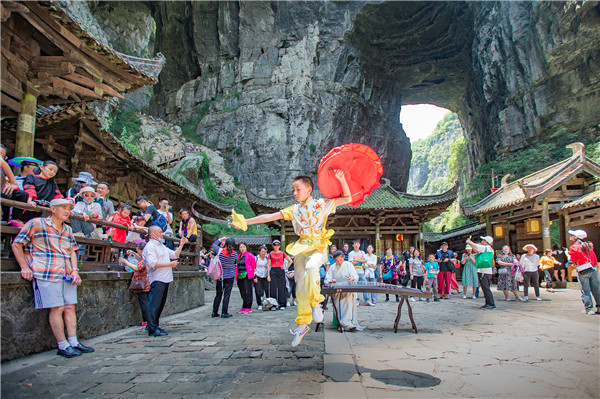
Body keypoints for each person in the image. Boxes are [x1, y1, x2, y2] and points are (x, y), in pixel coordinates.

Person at [236, 171, 352, 346]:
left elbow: (348, 198)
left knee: (313, 268)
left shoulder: (322, 204)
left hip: (318, 246)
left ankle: (316, 304)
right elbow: (270, 216)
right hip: (301, 248)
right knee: (301, 286)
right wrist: (245, 221)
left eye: (298, 189)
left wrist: (342, 178)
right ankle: (303, 325)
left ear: (309, 189)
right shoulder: (294, 209)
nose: (295, 193)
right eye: (293, 190)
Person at [11, 198, 94, 358]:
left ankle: (74, 341)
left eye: (69, 208)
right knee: (57, 308)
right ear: (53, 209)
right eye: (63, 207)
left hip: (67, 272)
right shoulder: (37, 223)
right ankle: (62, 345)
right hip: (46, 271)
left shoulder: (68, 229)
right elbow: (17, 244)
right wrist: (24, 266)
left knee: (70, 306)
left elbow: (72, 251)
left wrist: (75, 270)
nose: (67, 211)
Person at [142, 226, 188, 336]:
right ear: (152, 234)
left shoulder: (161, 246)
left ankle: (154, 324)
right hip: (157, 277)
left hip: (165, 277)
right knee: (154, 303)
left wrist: (181, 244)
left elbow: (174, 254)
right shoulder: (150, 247)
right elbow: (152, 263)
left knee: (160, 304)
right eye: (159, 232)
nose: (162, 234)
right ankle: (152, 328)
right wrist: (170, 264)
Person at [324, 250, 362, 331]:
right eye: (337, 261)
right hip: (337, 291)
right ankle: (343, 323)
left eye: (340, 260)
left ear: (344, 258)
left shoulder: (349, 265)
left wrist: (352, 278)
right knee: (340, 303)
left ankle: (349, 323)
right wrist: (331, 281)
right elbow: (327, 279)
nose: (339, 262)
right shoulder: (332, 267)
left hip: (348, 289)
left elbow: (355, 276)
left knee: (349, 301)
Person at [567, 229, 599, 315]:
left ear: (576, 237)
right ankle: (599, 307)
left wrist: (569, 256)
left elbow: (572, 260)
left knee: (585, 290)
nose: (570, 238)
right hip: (594, 267)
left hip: (583, 269)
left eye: (572, 236)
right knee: (596, 289)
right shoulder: (590, 245)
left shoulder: (574, 247)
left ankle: (588, 309)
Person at [118, 241, 150, 327]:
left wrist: (125, 262)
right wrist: (133, 253)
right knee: (146, 302)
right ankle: (149, 320)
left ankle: (146, 321)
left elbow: (137, 267)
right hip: (146, 283)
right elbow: (140, 258)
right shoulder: (146, 257)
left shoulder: (146, 259)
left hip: (143, 283)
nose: (138, 253)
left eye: (138, 251)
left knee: (144, 303)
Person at [0, 146, 29, 225]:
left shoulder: (2, 167)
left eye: (3, 156)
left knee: (23, 194)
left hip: (3, 192)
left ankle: (15, 219)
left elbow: (14, 185)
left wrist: (13, 184)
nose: (1, 158)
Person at [466, 236, 496, 309]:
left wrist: (469, 242)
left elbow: (476, 246)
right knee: (485, 288)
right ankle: (488, 303)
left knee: (486, 288)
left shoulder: (486, 248)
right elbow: (476, 249)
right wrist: (470, 244)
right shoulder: (489, 249)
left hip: (485, 271)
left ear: (486, 242)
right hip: (484, 270)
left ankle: (491, 304)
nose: (482, 241)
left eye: (483, 240)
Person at [211, 236, 237, 318]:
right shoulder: (235, 254)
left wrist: (221, 239)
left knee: (218, 293)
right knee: (227, 294)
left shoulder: (220, 251)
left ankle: (214, 311)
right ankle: (224, 312)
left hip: (220, 275)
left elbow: (213, 244)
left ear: (225, 244)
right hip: (230, 276)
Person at [267, 239, 293, 310]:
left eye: (277, 245)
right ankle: (273, 304)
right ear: (272, 246)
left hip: (280, 270)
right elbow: (268, 265)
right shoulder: (270, 254)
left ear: (279, 246)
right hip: (273, 270)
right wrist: (268, 275)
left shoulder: (282, 253)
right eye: (274, 245)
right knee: (273, 288)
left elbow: (290, 261)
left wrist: (286, 267)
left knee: (282, 288)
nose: (276, 246)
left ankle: (282, 304)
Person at [236, 242, 256, 314]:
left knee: (248, 291)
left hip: (248, 275)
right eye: (240, 247)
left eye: (243, 247)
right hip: (240, 275)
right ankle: (244, 306)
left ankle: (248, 307)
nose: (242, 249)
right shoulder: (239, 256)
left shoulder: (249, 255)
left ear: (246, 247)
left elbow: (254, 265)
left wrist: (254, 275)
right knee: (242, 291)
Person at [348, 239, 368, 304]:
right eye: (355, 244)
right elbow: (351, 263)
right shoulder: (351, 253)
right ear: (353, 245)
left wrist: (356, 260)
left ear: (359, 245)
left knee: (365, 284)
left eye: (358, 244)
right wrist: (360, 260)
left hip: (361, 270)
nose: (356, 245)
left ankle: (367, 299)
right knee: (354, 285)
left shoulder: (362, 252)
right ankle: (356, 299)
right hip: (353, 271)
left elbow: (365, 261)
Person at [254, 246, 270, 310]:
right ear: (259, 252)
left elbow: (269, 266)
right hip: (258, 275)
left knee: (267, 290)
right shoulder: (256, 258)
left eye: (265, 252)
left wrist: (268, 275)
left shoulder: (267, 258)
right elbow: (253, 268)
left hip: (265, 275)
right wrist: (254, 277)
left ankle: (268, 303)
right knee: (258, 290)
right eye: (262, 252)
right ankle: (259, 304)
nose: (264, 253)